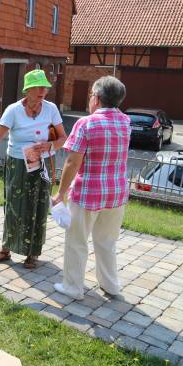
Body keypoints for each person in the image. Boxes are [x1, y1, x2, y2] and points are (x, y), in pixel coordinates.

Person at [0, 69, 67, 268]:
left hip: (42, 164)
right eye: (37, 87)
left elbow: (63, 138)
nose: (42, 91)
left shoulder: (51, 109)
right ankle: (5, 249)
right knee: (13, 206)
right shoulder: (13, 110)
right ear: (27, 90)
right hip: (17, 164)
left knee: (38, 207)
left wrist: (50, 146)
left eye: (44, 87)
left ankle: (33, 253)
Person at [51, 76, 130, 300]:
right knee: (107, 242)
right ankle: (111, 285)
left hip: (88, 193)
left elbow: (72, 162)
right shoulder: (126, 122)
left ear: (96, 98)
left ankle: (73, 288)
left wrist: (61, 193)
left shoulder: (85, 124)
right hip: (116, 193)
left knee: (77, 241)